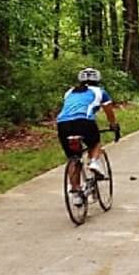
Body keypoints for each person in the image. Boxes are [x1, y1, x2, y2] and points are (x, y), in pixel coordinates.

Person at [56, 67, 120, 205]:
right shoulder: (100, 92)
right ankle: (94, 162)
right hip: (84, 121)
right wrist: (113, 125)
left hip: (62, 123)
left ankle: (76, 193)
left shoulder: (69, 92)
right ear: (98, 79)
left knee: (74, 158)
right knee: (95, 143)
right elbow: (109, 112)